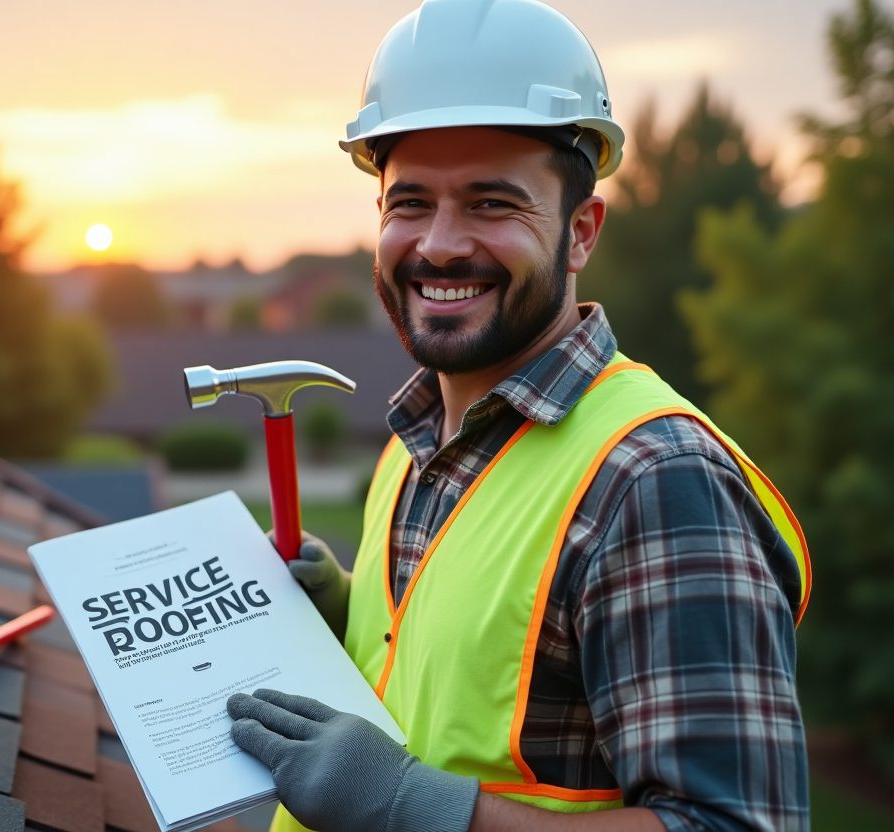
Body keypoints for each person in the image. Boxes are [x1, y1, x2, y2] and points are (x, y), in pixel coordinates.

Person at [223, 1, 812, 830]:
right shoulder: (420, 443)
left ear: (580, 232)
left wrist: (408, 805)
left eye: (492, 204)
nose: (439, 244)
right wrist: (346, 613)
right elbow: (475, 683)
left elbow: (733, 824)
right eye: (411, 202)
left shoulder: (653, 481)